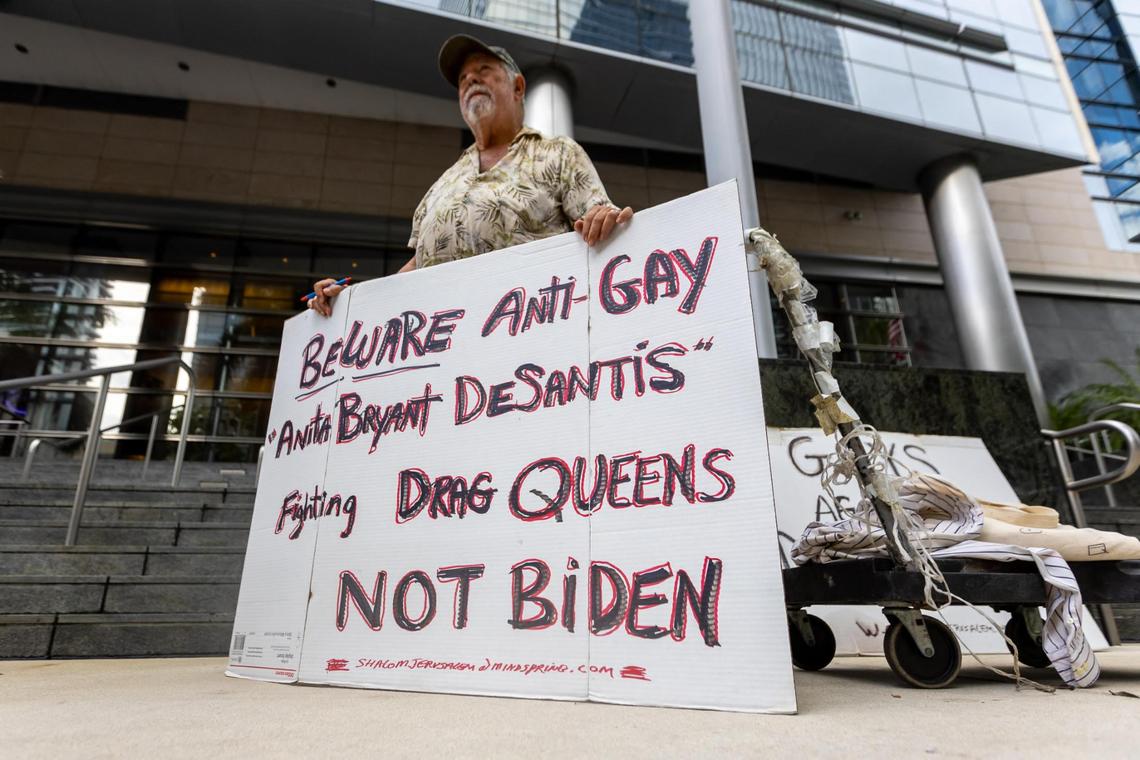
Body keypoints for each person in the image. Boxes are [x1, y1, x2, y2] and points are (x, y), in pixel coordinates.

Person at [309, 34, 633, 316]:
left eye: (483, 71)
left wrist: (605, 221)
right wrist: (350, 303)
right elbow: (417, 269)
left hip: (530, 349)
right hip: (447, 355)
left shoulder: (558, 153)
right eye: (463, 79)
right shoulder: (442, 185)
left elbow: (599, 223)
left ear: (517, 86)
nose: (470, 81)